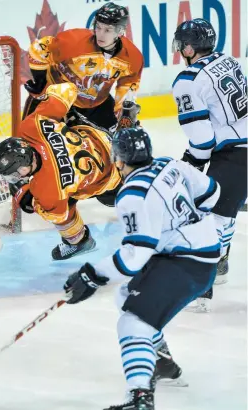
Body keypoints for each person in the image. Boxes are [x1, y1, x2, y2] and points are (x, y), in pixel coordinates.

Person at [63, 127, 220, 409]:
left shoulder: (132, 194)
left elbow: (135, 256)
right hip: (198, 252)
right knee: (125, 297)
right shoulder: (172, 164)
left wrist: (92, 275)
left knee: (132, 322)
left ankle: (139, 397)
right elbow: (213, 192)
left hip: (186, 261)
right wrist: (189, 227)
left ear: (119, 161)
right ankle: (162, 363)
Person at [0, 82, 121, 260]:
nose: (15, 178)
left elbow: (57, 215)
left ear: (23, 167)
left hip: (112, 178)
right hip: (106, 138)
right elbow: (67, 89)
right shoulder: (30, 127)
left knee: (56, 204)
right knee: (64, 119)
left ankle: (79, 241)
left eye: (15, 175)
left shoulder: (45, 190)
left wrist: (26, 198)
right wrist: (63, 109)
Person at [172, 18, 247, 310]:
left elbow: (202, 140)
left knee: (208, 217)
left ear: (189, 47)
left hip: (236, 154)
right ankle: (222, 263)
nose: (180, 50)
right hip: (242, 147)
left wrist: (190, 163)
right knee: (224, 210)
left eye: (182, 45)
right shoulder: (229, 60)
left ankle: (200, 291)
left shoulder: (188, 80)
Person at [24, 2, 144, 131]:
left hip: (96, 105)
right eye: (98, 27)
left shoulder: (132, 57)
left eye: (107, 30)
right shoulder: (73, 42)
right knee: (29, 140)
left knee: (119, 143)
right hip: (56, 99)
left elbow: (127, 87)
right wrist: (41, 82)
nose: (101, 34)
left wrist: (124, 115)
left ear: (120, 31)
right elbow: (39, 48)